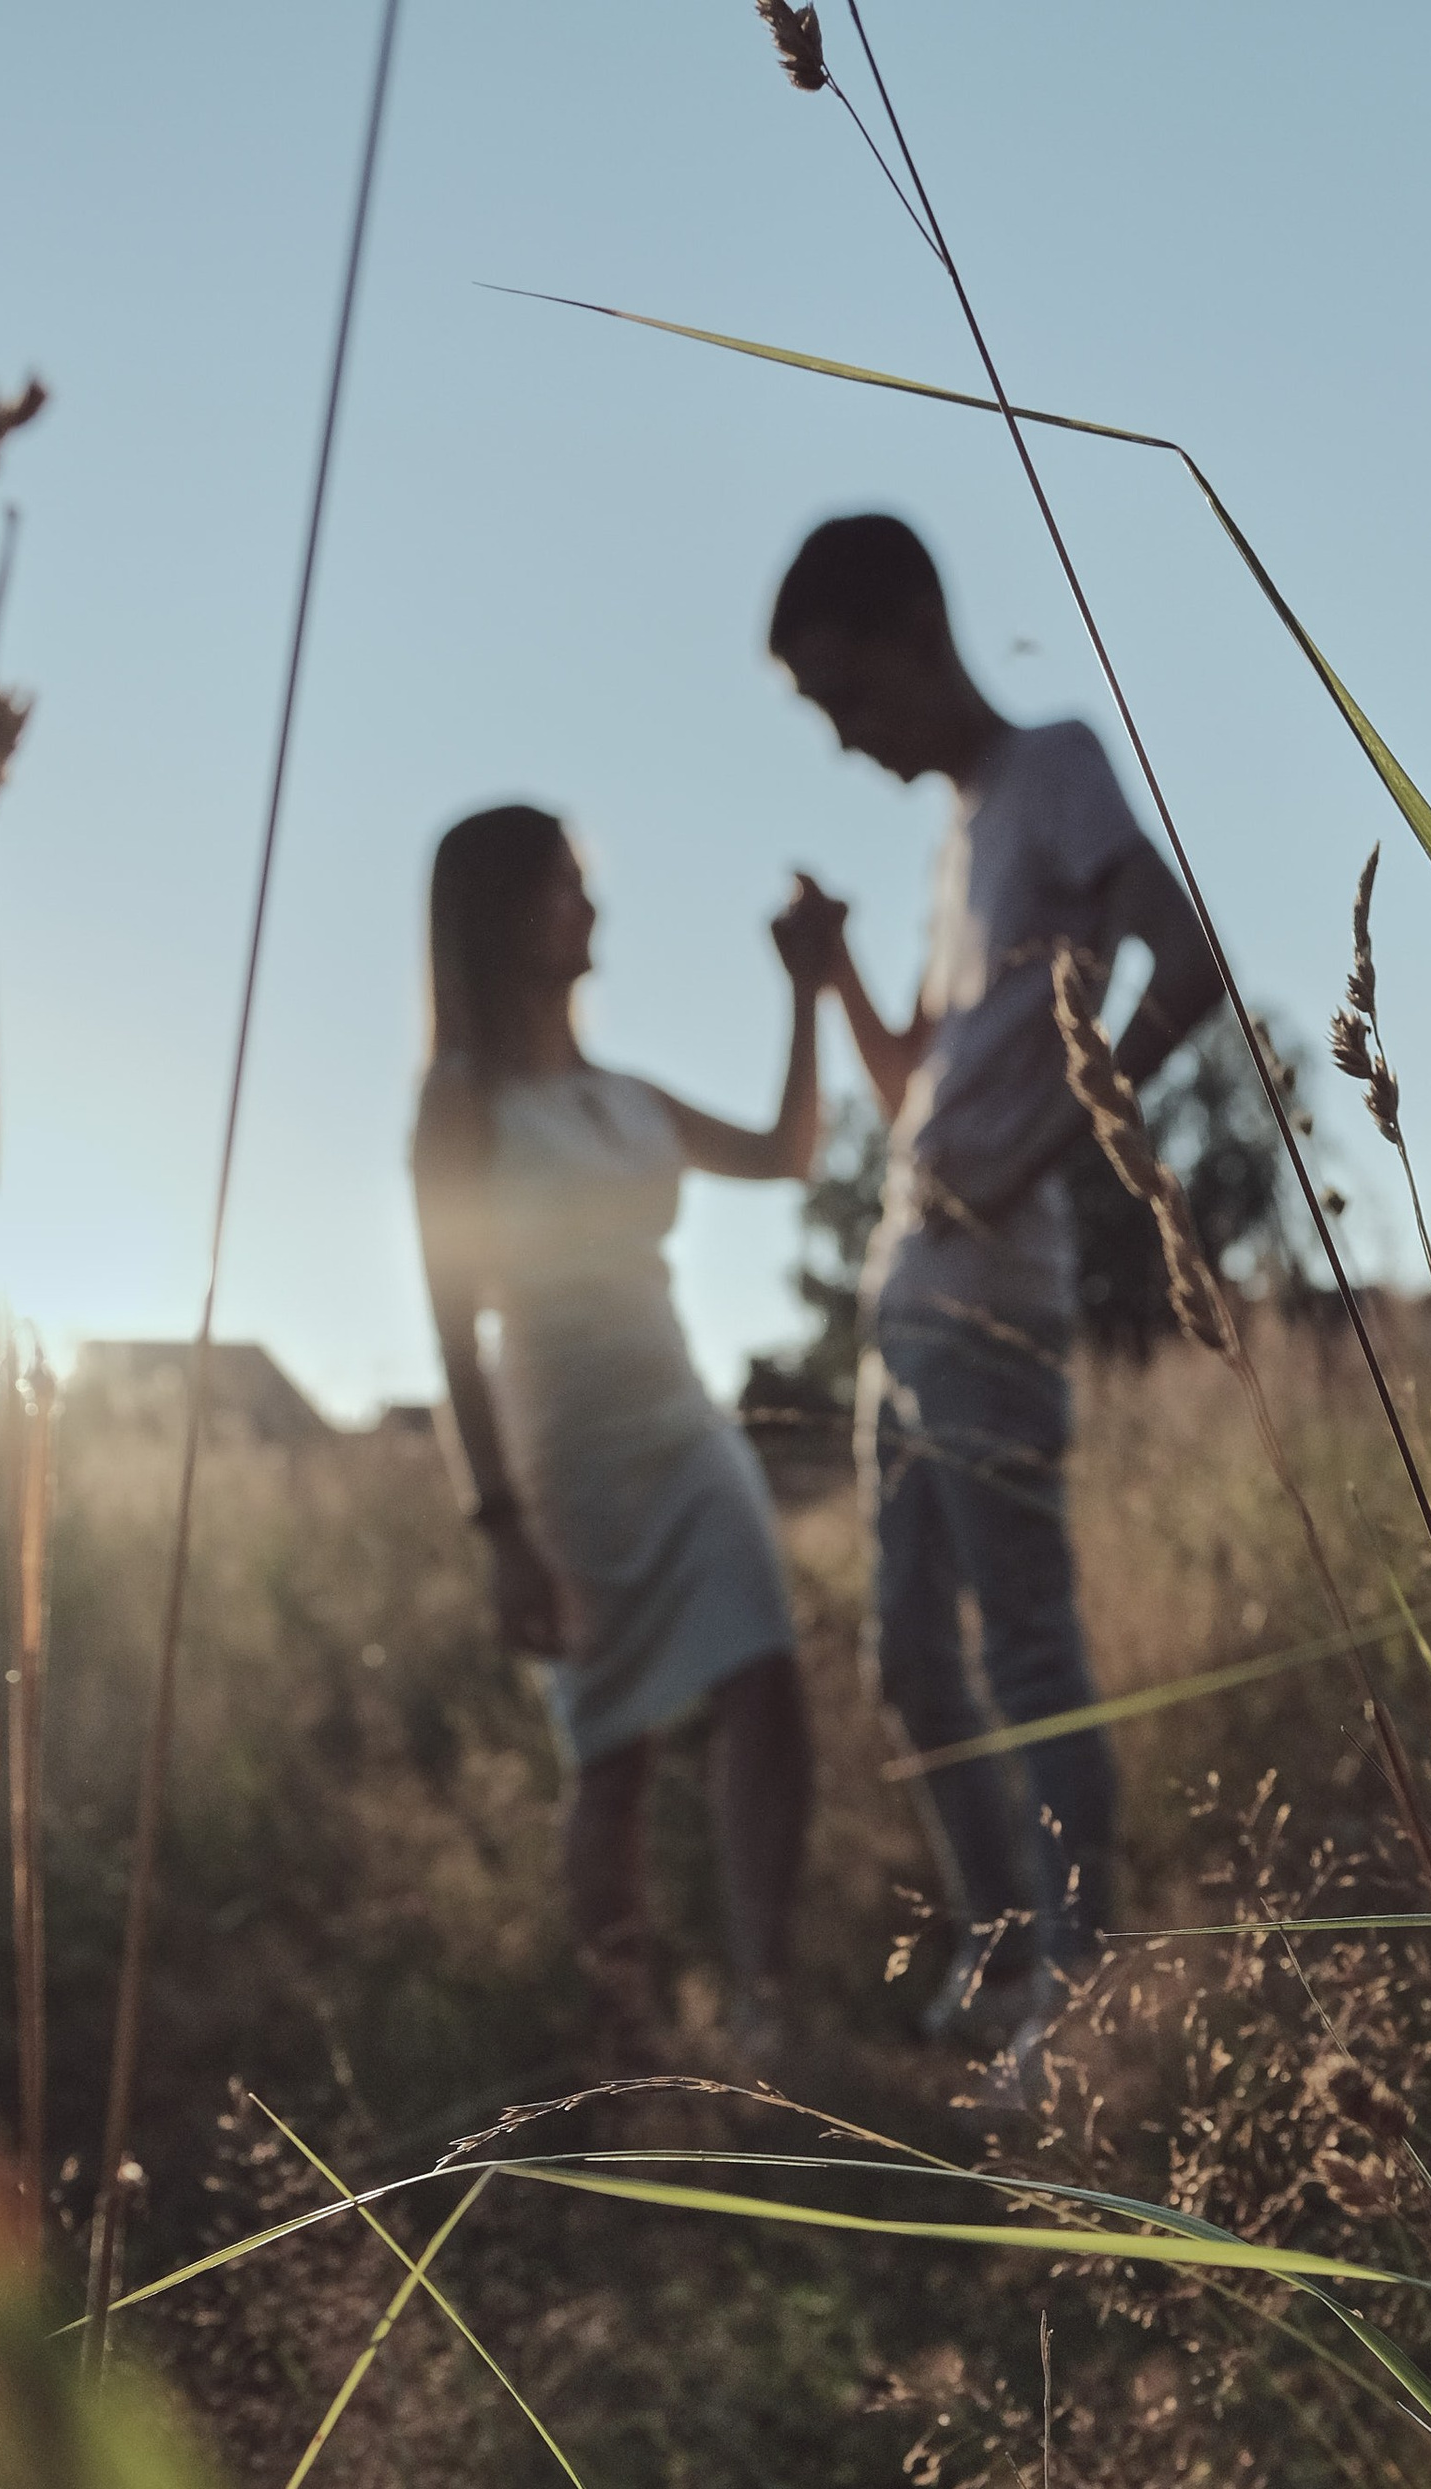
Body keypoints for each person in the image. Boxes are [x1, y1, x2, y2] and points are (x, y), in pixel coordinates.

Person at [770, 515, 1220, 2054]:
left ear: (911, 633)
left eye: (846, 698)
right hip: (904, 1289)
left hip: (995, 1289)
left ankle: (1079, 1996)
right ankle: (1011, 1944)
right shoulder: (955, 837)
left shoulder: (1056, 768)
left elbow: (1190, 954)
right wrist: (826, 972)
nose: (847, 740)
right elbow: (912, 1085)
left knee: (1025, 1644)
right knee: (908, 1653)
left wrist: (1047, 1153)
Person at [412, 804, 827, 2074]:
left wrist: (805, 989)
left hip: (686, 1428)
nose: (587, 909)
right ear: (498, 918)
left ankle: (761, 2003)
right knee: (616, 1750)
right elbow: (449, 1325)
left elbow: (785, 1151)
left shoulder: (626, 1094)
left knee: (767, 1684)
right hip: (567, 1457)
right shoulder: (462, 1104)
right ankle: (623, 2036)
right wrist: (499, 1530)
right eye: (561, 888)